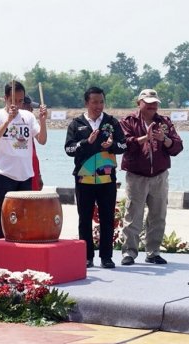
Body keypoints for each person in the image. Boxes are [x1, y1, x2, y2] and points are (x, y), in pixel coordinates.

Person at [64, 87, 127, 269]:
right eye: (95, 102)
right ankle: (86, 256)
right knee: (84, 218)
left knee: (107, 217)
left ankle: (106, 257)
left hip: (106, 178)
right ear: (86, 103)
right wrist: (86, 142)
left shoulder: (111, 122)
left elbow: (124, 145)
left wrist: (112, 145)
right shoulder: (76, 124)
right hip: (84, 179)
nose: (99, 105)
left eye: (101, 102)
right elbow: (68, 149)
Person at [119, 89, 184, 265]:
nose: (152, 106)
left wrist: (165, 139)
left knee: (158, 215)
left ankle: (153, 252)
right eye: (148, 103)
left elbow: (177, 146)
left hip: (159, 176)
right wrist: (143, 138)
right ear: (138, 103)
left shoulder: (164, 122)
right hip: (137, 176)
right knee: (133, 215)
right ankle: (129, 253)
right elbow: (124, 145)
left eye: (155, 103)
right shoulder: (128, 121)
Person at [0, 81, 47, 239]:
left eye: (21, 100)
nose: (18, 104)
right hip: (4, 173)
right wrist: (8, 120)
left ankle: (21, 248)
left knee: (23, 216)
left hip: (25, 174)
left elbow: (42, 140)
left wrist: (43, 120)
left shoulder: (28, 116)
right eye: (15, 101)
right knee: (3, 215)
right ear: (5, 98)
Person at [22, 96, 43, 190]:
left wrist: (38, 174)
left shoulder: (30, 124)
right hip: (24, 171)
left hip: (32, 168)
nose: (32, 109)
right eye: (29, 107)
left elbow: (42, 140)